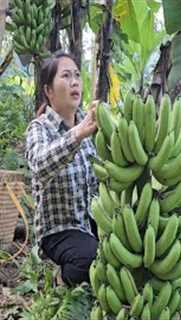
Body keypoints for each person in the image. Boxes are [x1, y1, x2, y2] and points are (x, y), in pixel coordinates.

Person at [25, 52, 99, 285]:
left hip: (90, 223)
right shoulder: (39, 129)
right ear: (49, 91)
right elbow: (39, 165)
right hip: (58, 230)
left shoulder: (88, 127)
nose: (75, 81)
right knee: (91, 258)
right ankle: (60, 280)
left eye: (77, 75)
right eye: (66, 76)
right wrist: (77, 134)